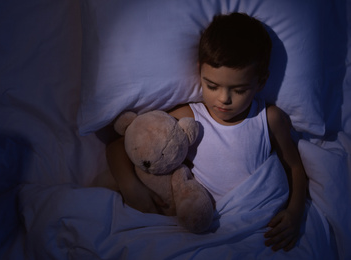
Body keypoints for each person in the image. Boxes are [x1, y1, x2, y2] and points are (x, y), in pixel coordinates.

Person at [106, 12, 307, 252]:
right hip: (205, 227)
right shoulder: (190, 117)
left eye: (239, 90)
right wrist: (131, 187)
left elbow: (294, 167)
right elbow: (118, 146)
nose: (224, 99)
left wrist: (294, 213)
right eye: (212, 86)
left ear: (261, 82)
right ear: (200, 71)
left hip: (258, 225)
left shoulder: (269, 119)